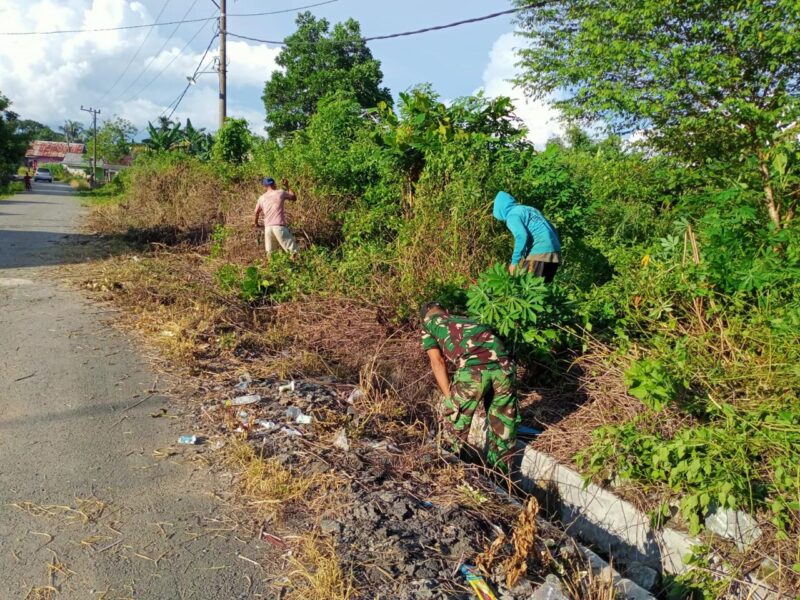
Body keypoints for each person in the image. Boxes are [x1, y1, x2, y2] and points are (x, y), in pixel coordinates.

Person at [420, 302, 520, 473]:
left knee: (456, 424)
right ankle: (500, 476)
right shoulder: (468, 319)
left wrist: (448, 396)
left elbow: (437, 362)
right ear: (447, 311)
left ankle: (454, 472)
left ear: (424, 318)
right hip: (505, 368)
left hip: (473, 371)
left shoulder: (428, 325)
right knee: (503, 425)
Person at [492, 191, 561, 281]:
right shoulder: (529, 209)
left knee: (524, 289)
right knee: (543, 290)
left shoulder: (512, 216)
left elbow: (521, 236)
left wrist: (514, 262)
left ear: (500, 210)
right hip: (555, 251)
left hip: (539, 252)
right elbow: (552, 228)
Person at [254, 177, 299, 255]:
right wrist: (287, 186)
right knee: (294, 252)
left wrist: (256, 223)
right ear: (274, 184)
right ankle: (299, 266)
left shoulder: (261, 198)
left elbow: (256, 213)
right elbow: (293, 197)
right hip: (279, 227)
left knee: (272, 256)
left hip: (268, 229)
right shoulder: (280, 192)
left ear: (264, 186)